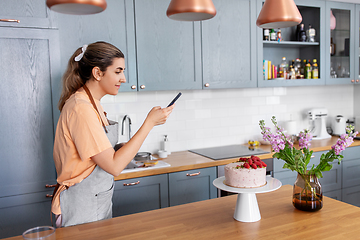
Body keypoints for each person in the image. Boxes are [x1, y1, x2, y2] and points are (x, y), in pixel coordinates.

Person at [51, 41, 174, 227]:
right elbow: (114, 166)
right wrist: (149, 123)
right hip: (80, 206)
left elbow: (93, 154)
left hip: (93, 204)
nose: (123, 78)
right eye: (118, 71)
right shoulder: (81, 108)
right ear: (97, 73)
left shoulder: (92, 104)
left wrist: (117, 148)